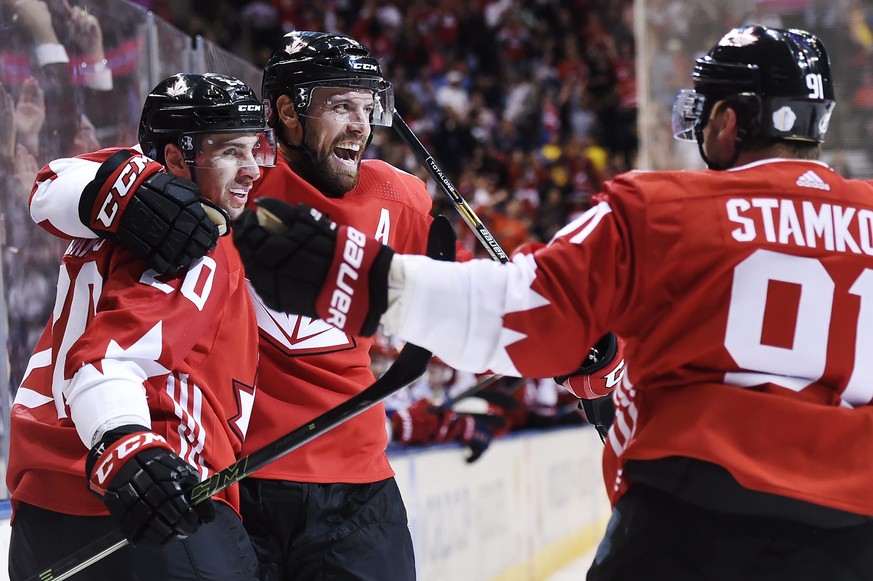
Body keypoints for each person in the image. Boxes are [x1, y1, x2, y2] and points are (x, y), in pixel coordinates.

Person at [233, 25, 873, 580]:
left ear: (728, 122)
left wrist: (362, 280)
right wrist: (603, 379)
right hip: (854, 529)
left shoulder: (661, 208)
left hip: (691, 517)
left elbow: (521, 314)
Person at [29, 31, 620, 580]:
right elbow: (57, 183)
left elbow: (461, 305)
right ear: (288, 113)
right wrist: (120, 194)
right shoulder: (235, 175)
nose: (360, 127)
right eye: (342, 107)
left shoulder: (400, 199)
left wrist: (559, 338)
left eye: (368, 109)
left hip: (356, 492)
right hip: (240, 485)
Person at [7, 72, 275, 580]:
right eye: (230, 152)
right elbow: (108, 359)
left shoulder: (108, 213)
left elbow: (50, 185)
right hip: (154, 498)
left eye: (253, 149)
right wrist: (125, 444)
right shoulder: (197, 236)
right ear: (176, 159)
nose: (250, 171)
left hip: (41, 510)